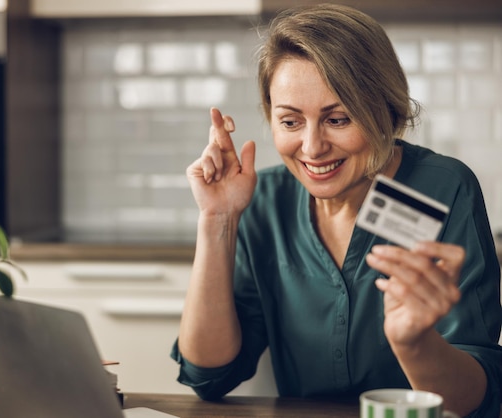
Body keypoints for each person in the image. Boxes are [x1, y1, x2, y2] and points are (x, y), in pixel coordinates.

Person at [170, 4, 502, 417]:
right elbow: (209, 376)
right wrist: (217, 220)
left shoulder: (445, 188)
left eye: (338, 119)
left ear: (386, 109)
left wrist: (415, 343)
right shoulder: (262, 201)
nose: (312, 148)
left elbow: (477, 402)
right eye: (290, 122)